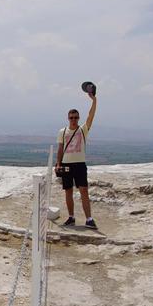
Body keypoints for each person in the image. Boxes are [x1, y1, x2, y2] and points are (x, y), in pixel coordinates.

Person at [55, 92, 97, 229]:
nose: (73, 119)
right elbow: (60, 148)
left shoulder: (83, 129)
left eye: (76, 117)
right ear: (68, 118)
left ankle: (89, 219)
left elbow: (91, 116)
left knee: (84, 190)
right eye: (71, 117)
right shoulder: (62, 131)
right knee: (68, 191)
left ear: (78, 118)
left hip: (79, 165)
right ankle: (71, 217)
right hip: (66, 164)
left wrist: (94, 100)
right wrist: (58, 163)